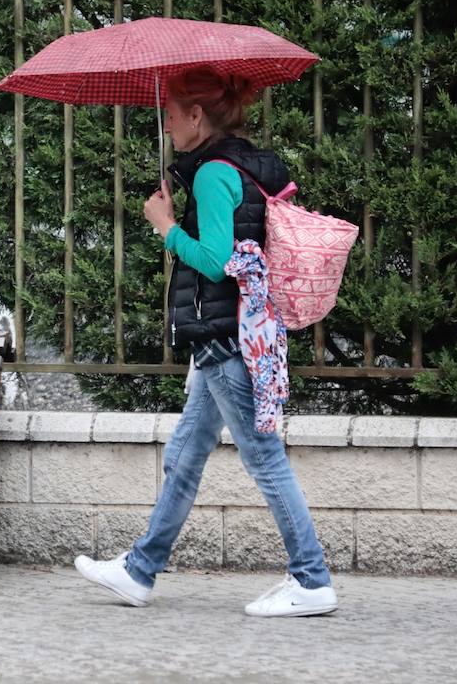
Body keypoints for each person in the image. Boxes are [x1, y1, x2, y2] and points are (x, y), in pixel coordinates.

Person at [73, 66, 337, 617]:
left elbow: (218, 263)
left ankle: (311, 579)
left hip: (225, 338)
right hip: (234, 334)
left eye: (171, 115)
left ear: (196, 115)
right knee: (185, 456)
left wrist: (166, 227)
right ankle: (139, 571)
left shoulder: (217, 173)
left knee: (264, 460)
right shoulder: (241, 163)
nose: (166, 125)